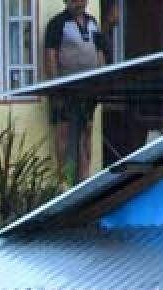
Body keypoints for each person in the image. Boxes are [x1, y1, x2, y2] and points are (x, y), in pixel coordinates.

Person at [45, 0, 106, 185]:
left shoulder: (93, 22)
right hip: (65, 89)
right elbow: (50, 55)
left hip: (89, 89)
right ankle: (63, 179)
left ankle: (84, 178)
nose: (77, 2)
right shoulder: (57, 23)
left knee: (86, 129)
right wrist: (56, 86)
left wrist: (103, 77)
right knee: (63, 131)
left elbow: (99, 51)